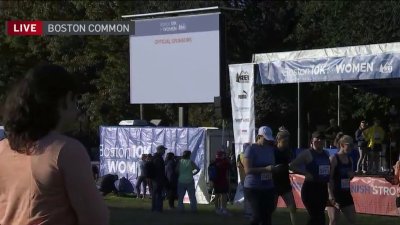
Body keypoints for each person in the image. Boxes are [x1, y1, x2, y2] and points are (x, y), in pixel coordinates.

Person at [0, 64, 109, 225]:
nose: (77, 110)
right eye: (75, 101)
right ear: (64, 99)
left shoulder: (3, 148)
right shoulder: (66, 150)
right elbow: (96, 219)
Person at [290, 131, 330, 225]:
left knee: (320, 217)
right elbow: (292, 166)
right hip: (310, 189)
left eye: (322, 138)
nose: (320, 140)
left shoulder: (326, 153)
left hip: (323, 189)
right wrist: (305, 173)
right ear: (312, 140)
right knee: (315, 217)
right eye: (317, 138)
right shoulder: (307, 153)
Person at [243, 126, 276, 225]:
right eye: (265, 139)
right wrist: (265, 169)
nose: (267, 141)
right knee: (257, 216)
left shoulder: (270, 149)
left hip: (268, 187)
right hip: (253, 187)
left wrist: (274, 169)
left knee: (267, 216)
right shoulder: (251, 149)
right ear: (259, 137)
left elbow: (272, 165)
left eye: (268, 139)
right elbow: (247, 170)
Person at [327, 134, 356, 225]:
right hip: (335, 193)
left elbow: (349, 176)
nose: (351, 147)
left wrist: (351, 175)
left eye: (352, 145)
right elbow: (329, 178)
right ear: (342, 145)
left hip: (346, 193)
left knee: (352, 220)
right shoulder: (334, 159)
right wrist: (330, 195)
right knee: (334, 220)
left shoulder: (350, 159)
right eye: (349, 145)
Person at [273, 131, 297, 225]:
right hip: (274, 183)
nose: (287, 143)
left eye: (288, 141)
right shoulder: (273, 151)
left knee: (293, 207)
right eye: (284, 141)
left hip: (285, 183)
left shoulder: (288, 151)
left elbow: (291, 164)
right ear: (278, 140)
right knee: (271, 208)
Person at [213, 150, 231, 216]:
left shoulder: (214, 162)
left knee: (217, 195)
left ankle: (216, 208)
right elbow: (229, 167)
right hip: (223, 180)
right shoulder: (225, 162)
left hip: (216, 181)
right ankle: (223, 208)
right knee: (224, 195)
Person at [237, 143, 252, 218]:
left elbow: (238, 165)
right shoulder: (249, 155)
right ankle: (249, 212)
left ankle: (247, 211)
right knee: (250, 196)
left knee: (246, 196)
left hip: (243, 178)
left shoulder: (239, 155)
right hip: (250, 178)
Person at [151, 145, 167, 212]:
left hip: (155, 178)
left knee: (155, 193)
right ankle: (158, 209)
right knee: (158, 194)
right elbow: (159, 169)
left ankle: (154, 208)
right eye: (163, 150)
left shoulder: (156, 157)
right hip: (158, 178)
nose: (164, 151)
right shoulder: (158, 158)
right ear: (160, 150)